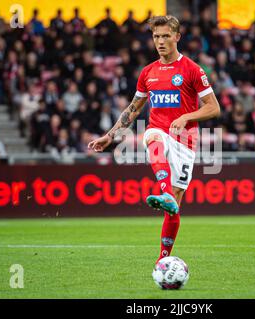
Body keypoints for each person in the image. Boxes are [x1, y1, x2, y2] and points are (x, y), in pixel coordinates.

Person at [88, 15, 221, 263]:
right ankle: (163, 192)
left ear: (177, 37)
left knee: (175, 207)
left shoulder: (192, 70)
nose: (160, 41)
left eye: (165, 36)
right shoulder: (148, 72)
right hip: (160, 131)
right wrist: (110, 136)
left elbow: (214, 108)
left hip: (185, 142)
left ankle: (163, 260)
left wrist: (187, 117)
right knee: (151, 135)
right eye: (156, 36)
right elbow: (134, 108)